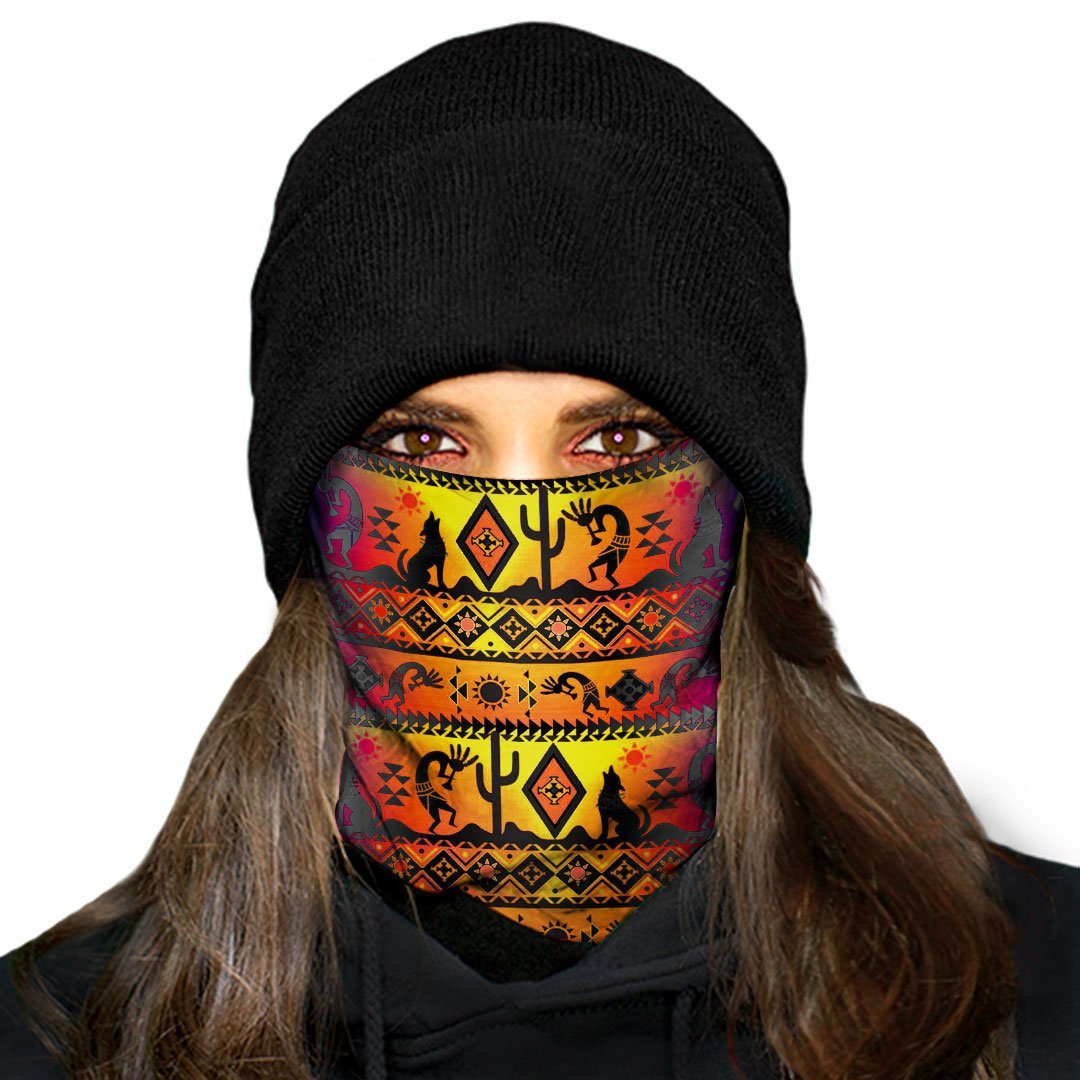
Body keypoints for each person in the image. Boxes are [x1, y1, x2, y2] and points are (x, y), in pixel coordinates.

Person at [2, 20, 1077, 1080]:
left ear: (745, 512)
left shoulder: (1031, 1001)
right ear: (312, 525)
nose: (519, 541)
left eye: (618, 442)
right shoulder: (62, 1039)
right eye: (423, 444)